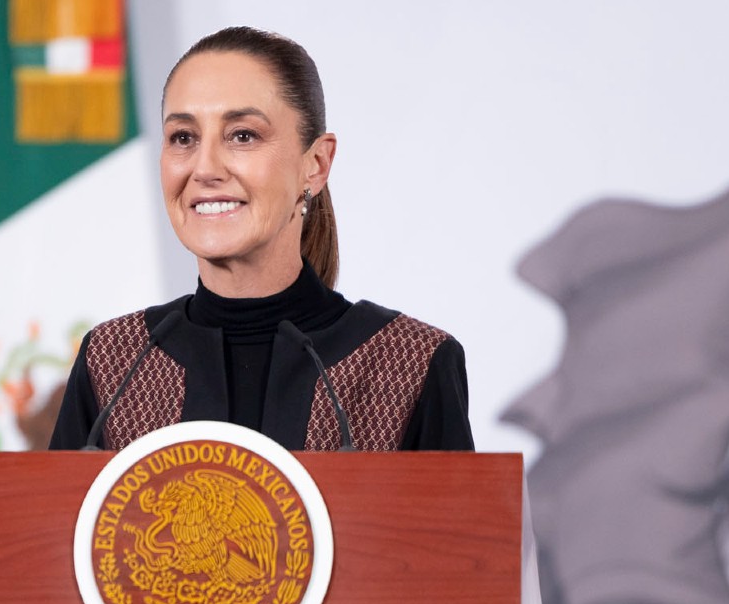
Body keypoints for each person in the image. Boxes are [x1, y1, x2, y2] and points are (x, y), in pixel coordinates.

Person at [49, 26, 473, 452]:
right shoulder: (114, 363)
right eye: (183, 137)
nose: (205, 168)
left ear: (316, 164)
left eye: (242, 135)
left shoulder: (409, 364)